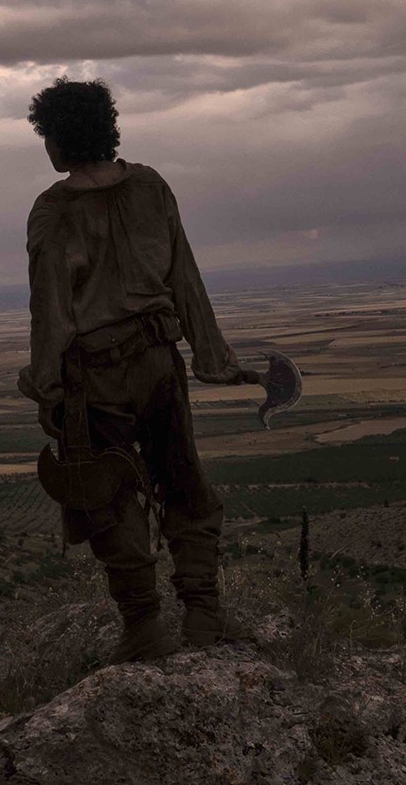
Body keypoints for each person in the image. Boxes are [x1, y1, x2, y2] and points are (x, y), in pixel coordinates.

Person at [19, 78, 255, 661]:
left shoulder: (54, 210)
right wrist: (213, 359)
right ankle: (203, 612)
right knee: (183, 479)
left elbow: (51, 310)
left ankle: (145, 626)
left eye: (47, 135)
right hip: (158, 360)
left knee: (108, 495)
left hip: (95, 376)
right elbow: (186, 280)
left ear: (58, 138)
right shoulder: (151, 186)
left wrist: (45, 385)